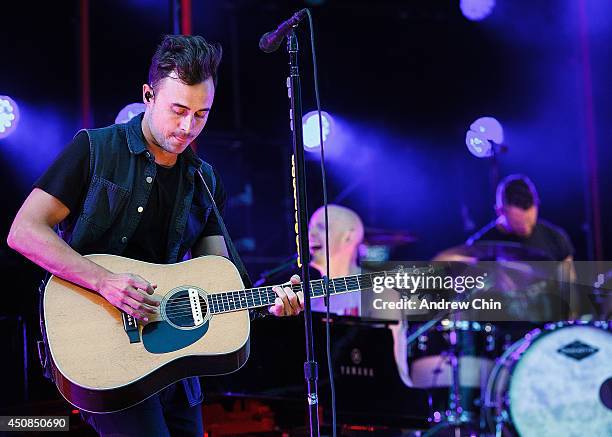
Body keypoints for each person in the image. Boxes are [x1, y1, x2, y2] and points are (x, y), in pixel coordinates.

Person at [7, 34, 303, 437]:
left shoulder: (204, 179)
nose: (188, 127)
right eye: (178, 110)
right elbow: (23, 231)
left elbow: (217, 279)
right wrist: (105, 282)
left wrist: (267, 302)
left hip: (175, 363)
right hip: (98, 345)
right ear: (148, 95)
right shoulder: (95, 149)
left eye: (201, 114)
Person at [307, 204, 413, 386]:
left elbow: (389, 366)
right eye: (310, 228)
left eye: (322, 227)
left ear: (349, 236)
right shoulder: (308, 295)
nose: (310, 234)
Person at [467, 174, 575, 265]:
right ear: (500, 212)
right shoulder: (478, 247)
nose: (525, 228)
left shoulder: (556, 238)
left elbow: (569, 286)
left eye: (530, 221)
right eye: (518, 223)